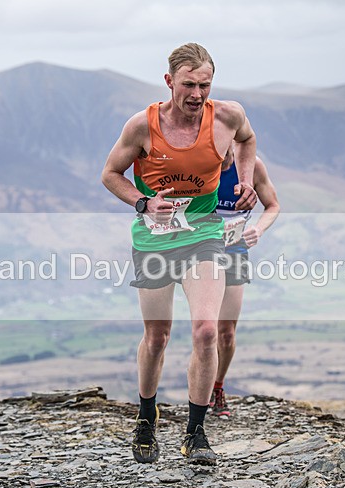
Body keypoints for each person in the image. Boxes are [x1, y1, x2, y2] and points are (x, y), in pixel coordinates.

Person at [101, 43, 257, 465]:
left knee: (207, 330)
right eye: (188, 84)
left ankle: (195, 432)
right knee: (158, 336)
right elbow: (110, 174)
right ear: (169, 81)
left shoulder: (227, 116)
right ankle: (147, 418)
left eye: (204, 84)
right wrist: (143, 203)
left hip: (204, 234)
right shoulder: (142, 126)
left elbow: (247, 140)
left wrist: (244, 181)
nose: (197, 93)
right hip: (154, 237)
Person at [210, 144, 280, 417]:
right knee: (203, 328)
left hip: (234, 250)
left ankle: (217, 386)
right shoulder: (199, 162)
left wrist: (257, 230)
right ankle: (198, 393)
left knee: (225, 332)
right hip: (197, 248)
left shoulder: (252, 167)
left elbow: (273, 205)